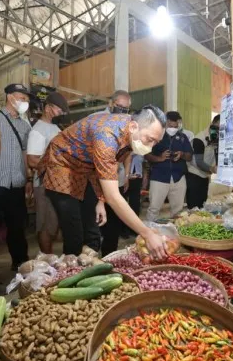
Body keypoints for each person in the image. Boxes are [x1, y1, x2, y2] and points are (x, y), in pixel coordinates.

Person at [38, 105, 169, 260]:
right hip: (61, 164)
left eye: (156, 142)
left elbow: (107, 170)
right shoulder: (107, 136)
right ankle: (71, 272)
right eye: (150, 139)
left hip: (87, 170)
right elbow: (113, 196)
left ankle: (88, 264)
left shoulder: (131, 131)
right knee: (74, 232)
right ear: (133, 126)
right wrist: (146, 233)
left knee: (93, 231)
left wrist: (100, 200)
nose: (151, 146)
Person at [0, 84, 34, 270]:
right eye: (22, 98)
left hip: (17, 182)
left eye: (27, 99)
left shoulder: (24, 125)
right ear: (10, 97)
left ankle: (20, 264)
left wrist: (28, 179)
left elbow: (26, 153)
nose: (25, 102)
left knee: (17, 227)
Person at [27, 91, 69, 253]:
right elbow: (32, 160)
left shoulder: (54, 127)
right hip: (44, 185)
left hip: (56, 184)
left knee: (53, 223)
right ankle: (46, 259)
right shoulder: (38, 131)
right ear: (48, 108)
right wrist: (56, 167)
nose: (61, 114)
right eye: (60, 110)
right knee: (45, 224)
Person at [94, 90, 134, 256]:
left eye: (126, 109)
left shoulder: (127, 122)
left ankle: (110, 256)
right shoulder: (97, 119)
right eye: (119, 107)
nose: (122, 112)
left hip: (117, 178)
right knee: (96, 220)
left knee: (115, 219)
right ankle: (92, 256)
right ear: (111, 103)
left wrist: (126, 175)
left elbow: (127, 152)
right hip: (98, 179)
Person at [145, 111, 193, 221]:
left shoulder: (182, 137)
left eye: (175, 125)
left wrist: (182, 154)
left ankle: (175, 234)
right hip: (159, 177)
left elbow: (189, 156)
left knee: (178, 210)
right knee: (154, 208)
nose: (173, 127)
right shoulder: (156, 135)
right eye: (170, 124)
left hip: (178, 177)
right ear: (165, 123)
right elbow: (146, 154)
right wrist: (159, 158)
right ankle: (149, 233)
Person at [186, 115, 219, 209]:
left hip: (205, 176)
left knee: (202, 206)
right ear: (212, 124)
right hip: (194, 176)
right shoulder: (199, 139)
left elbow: (216, 153)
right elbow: (199, 162)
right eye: (217, 127)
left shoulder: (215, 136)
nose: (219, 130)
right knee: (193, 207)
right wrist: (212, 168)